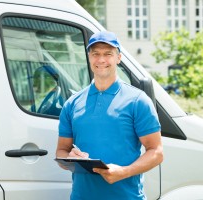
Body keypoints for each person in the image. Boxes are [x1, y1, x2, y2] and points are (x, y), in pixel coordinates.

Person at [56, 31, 163, 200]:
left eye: (108, 54)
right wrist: (69, 158)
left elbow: (156, 152)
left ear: (118, 58)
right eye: (96, 54)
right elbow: (61, 151)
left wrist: (123, 172)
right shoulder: (72, 104)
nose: (101, 60)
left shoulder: (137, 100)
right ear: (89, 57)